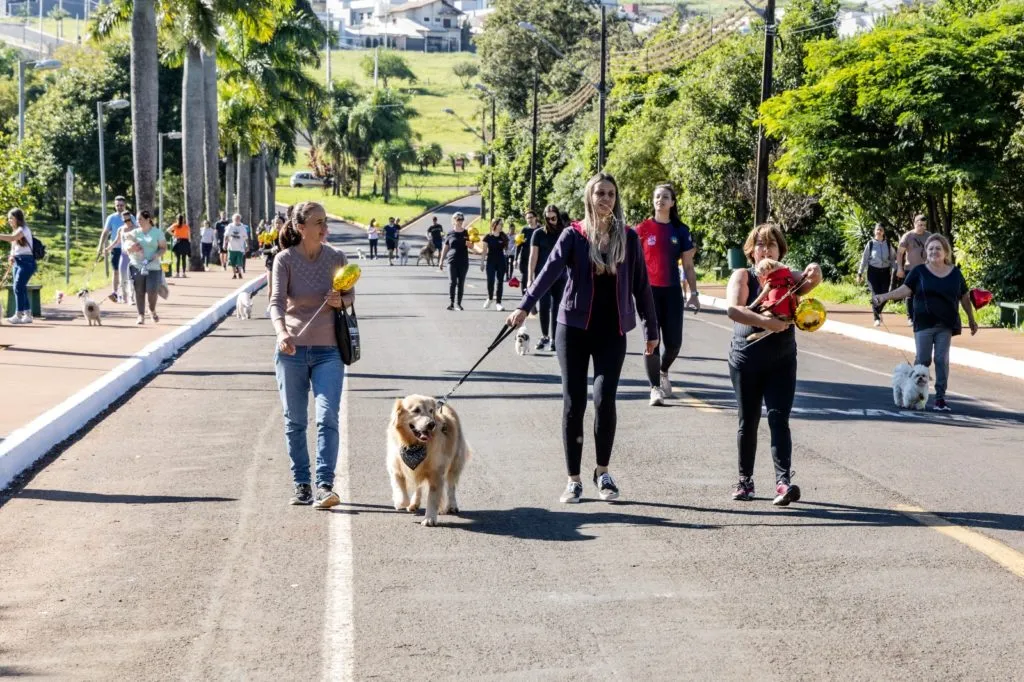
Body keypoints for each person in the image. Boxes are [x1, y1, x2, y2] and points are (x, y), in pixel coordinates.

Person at [506, 173, 658, 504]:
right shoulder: (573, 236)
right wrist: (524, 307)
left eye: (611, 194)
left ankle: (602, 471)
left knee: (605, 401)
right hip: (572, 330)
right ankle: (573, 479)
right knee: (574, 404)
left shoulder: (628, 239)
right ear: (589, 197)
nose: (605, 199)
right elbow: (548, 273)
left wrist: (651, 329)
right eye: (599, 193)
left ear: (616, 199)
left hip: (612, 333)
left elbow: (641, 286)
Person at [726, 223, 822, 506]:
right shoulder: (743, 275)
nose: (765, 249)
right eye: (760, 244)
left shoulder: (788, 276)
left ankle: (783, 482)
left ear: (781, 250)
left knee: (779, 418)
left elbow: (810, 282)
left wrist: (815, 269)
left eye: (771, 244)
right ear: (751, 251)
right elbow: (733, 310)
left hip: (782, 359)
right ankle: (745, 481)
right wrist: (766, 322)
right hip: (746, 359)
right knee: (749, 420)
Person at [270, 200, 354, 509]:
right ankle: (301, 483)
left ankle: (323, 484)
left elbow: (350, 295)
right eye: (317, 222)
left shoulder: (336, 257)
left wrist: (339, 301)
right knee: (295, 421)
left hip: (328, 351)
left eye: (325, 220)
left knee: (327, 416)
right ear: (300, 227)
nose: (324, 227)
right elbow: (276, 301)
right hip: (291, 350)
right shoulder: (284, 260)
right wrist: (281, 333)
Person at [873, 234, 977, 412]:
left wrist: (971, 319)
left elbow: (964, 297)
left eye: (938, 248)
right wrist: (884, 296)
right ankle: (913, 392)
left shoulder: (955, 273)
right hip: (923, 323)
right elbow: (905, 290)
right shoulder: (919, 272)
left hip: (946, 324)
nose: (934, 252)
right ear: (925, 253)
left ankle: (940, 398)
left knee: (941, 360)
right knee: (923, 359)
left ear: (945, 252)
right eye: (930, 249)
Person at [635, 184, 701, 405]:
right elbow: (629, 261)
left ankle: (663, 371)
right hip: (648, 292)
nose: (660, 200)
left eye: (665, 197)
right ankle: (654, 388)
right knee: (651, 341)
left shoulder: (680, 230)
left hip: (672, 291)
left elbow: (688, 265)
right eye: (657, 196)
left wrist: (694, 293)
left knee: (674, 343)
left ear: (672, 202)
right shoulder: (642, 229)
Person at [529, 204, 569, 351]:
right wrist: (530, 278)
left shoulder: (564, 232)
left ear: (558, 216)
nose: (551, 220)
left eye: (554, 217)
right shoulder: (538, 234)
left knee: (557, 307)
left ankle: (554, 339)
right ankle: (544, 336)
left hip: (560, 275)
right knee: (544, 306)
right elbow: (533, 257)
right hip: (542, 275)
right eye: (548, 218)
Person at [122, 210, 167, 325]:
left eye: (140, 219)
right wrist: (131, 248)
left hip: (153, 266)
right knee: (139, 291)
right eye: (137, 219)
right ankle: (140, 315)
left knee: (152, 290)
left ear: (148, 219)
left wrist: (156, 254)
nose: (138, 222)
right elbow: (126, 243)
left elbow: (163, 248)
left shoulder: (157, 233)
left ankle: (151, 310)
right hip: (137, 265)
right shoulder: (135, 232)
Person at [1, 208, 37, 325]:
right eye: (8, 218)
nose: (9, 221)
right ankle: (27, 315)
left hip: (27, 262)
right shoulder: (16, 230)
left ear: (18, 218)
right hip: (18, 261)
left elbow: (12, 238)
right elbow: (13, 247)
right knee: (21, 287)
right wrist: (11, 256)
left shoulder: (23, 229)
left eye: (11, 218)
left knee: (18, 286)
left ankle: (18, 314)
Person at [896, 214, 932, 325]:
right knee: (910, 294)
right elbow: (900, 252)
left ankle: (923, 316)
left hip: (925, 269)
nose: (922, 227)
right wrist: (900, 268)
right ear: (915, 224)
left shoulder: (929, 236)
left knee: (924, 293)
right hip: (910, 269)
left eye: (924, 225)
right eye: (920, 225)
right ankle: (910, 317)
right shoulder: (907, 236)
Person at [857, 223, 896, 327]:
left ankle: (878, 310)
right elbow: (864, 259)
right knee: (875, 293)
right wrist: (859, 273)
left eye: (881, 230)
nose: (879, 232)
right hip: (873, 272)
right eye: (877, 230)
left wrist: (897, 269)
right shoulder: (870, 244)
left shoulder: (888, 244)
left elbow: (892, 258)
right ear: (874, 231)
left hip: (885, 272)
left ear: (883, 232)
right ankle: (876, 318)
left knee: (885, 294)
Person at [96, 196, 131, 299]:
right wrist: (100, 246)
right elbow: (105, 232)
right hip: (115, 248)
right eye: (117, 205)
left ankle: (127, 293)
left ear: (125, 206)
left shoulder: (130, 217)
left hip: (128, 249)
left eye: (121, 205)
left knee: (127, 271)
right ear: (115, 206)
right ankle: (115, 292)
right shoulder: (111, 218)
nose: (119, 207)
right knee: (116, 271)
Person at [438, 211, 470, 311]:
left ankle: (459, 303)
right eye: (458, 219)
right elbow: (446, 247)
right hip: (452, 260)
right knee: (452, 282)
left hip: (463, 261)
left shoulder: (466, 233)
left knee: (461, 282)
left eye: (462, 219)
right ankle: (451, 303)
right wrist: (441, 260)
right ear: (454, 221)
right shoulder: (450, 233)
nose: (460, 221)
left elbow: (472, 246)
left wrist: (471, 245)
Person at [481, 218, 509, 311]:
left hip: (501, 261)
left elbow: (507, 249)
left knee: (500, 282)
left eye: (502, 224)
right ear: (494, 225)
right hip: (491, 261)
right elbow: (484, 251)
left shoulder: (504, 236)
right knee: (490, 281)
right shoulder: (487, 237)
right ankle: (490, 298)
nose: (501, 226)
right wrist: (482, 263)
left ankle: (498, 303)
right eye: (500, 224)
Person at [516, 210, 538, 289]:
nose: (529, 220)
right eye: (528, 218)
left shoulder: (540, 229)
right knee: (525, 278)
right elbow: (518, 245)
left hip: (537, 259)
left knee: (537, 279)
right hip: (525, 259)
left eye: (531, 217)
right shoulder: (524, 230)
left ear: (536, 218)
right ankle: (524, 296)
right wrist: (515, 259)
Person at [224, 214, 249, 280]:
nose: (237, 220)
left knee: (239, 262)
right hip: (231, 247)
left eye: (238, 219)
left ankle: (240, 273)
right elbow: (226, 236)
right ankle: (234, 274)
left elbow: (245, 237)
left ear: (240, 219)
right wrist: (224, 244)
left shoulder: (242, 227)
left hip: (240, 248)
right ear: (233, 219)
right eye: (235, 219)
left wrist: (247, 245)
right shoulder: (230, 226)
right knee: (232, 262)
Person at [167, 213, 190, 278]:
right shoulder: (186, 226)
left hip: (178, 242)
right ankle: (184, 273)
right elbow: (188, 236)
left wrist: (174, 235)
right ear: (183, 220)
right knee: (184, 258)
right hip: (185, 242)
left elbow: (168, 230)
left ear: (177, 219)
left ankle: (177, 273)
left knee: (178, 258)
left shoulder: (175, 225)